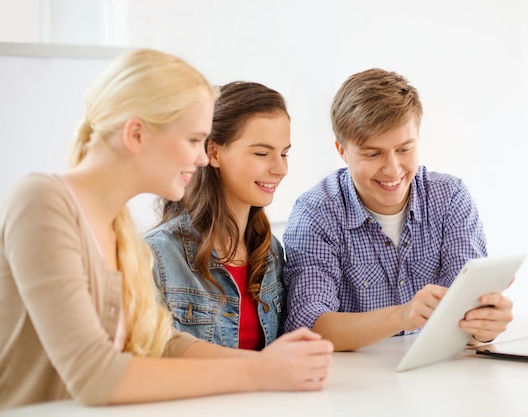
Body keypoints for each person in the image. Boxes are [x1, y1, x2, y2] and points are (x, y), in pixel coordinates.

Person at [0, 48, 332, 411]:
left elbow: (161, 341)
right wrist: (257, 375)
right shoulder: (43, 201)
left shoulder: (116, 226)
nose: (203, 158)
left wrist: (268, 364)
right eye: (193, 140)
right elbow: (95, 375)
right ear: (137, 135)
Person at [282, 68, 514, 352]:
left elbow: (465, 316)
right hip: (353, 385)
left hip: (437, 374)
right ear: (341, 151)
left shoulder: (450, 197)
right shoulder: (316, 213)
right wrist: (401, 316)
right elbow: (308, 327)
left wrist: (484, 329)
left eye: (404, 149)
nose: (393, 169)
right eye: (372, 153)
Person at [144, 81, 291, 350]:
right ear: (213, 152)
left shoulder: (270, 252)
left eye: (284, 153)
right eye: (262, 153)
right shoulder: (157, 256)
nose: (280, 168)